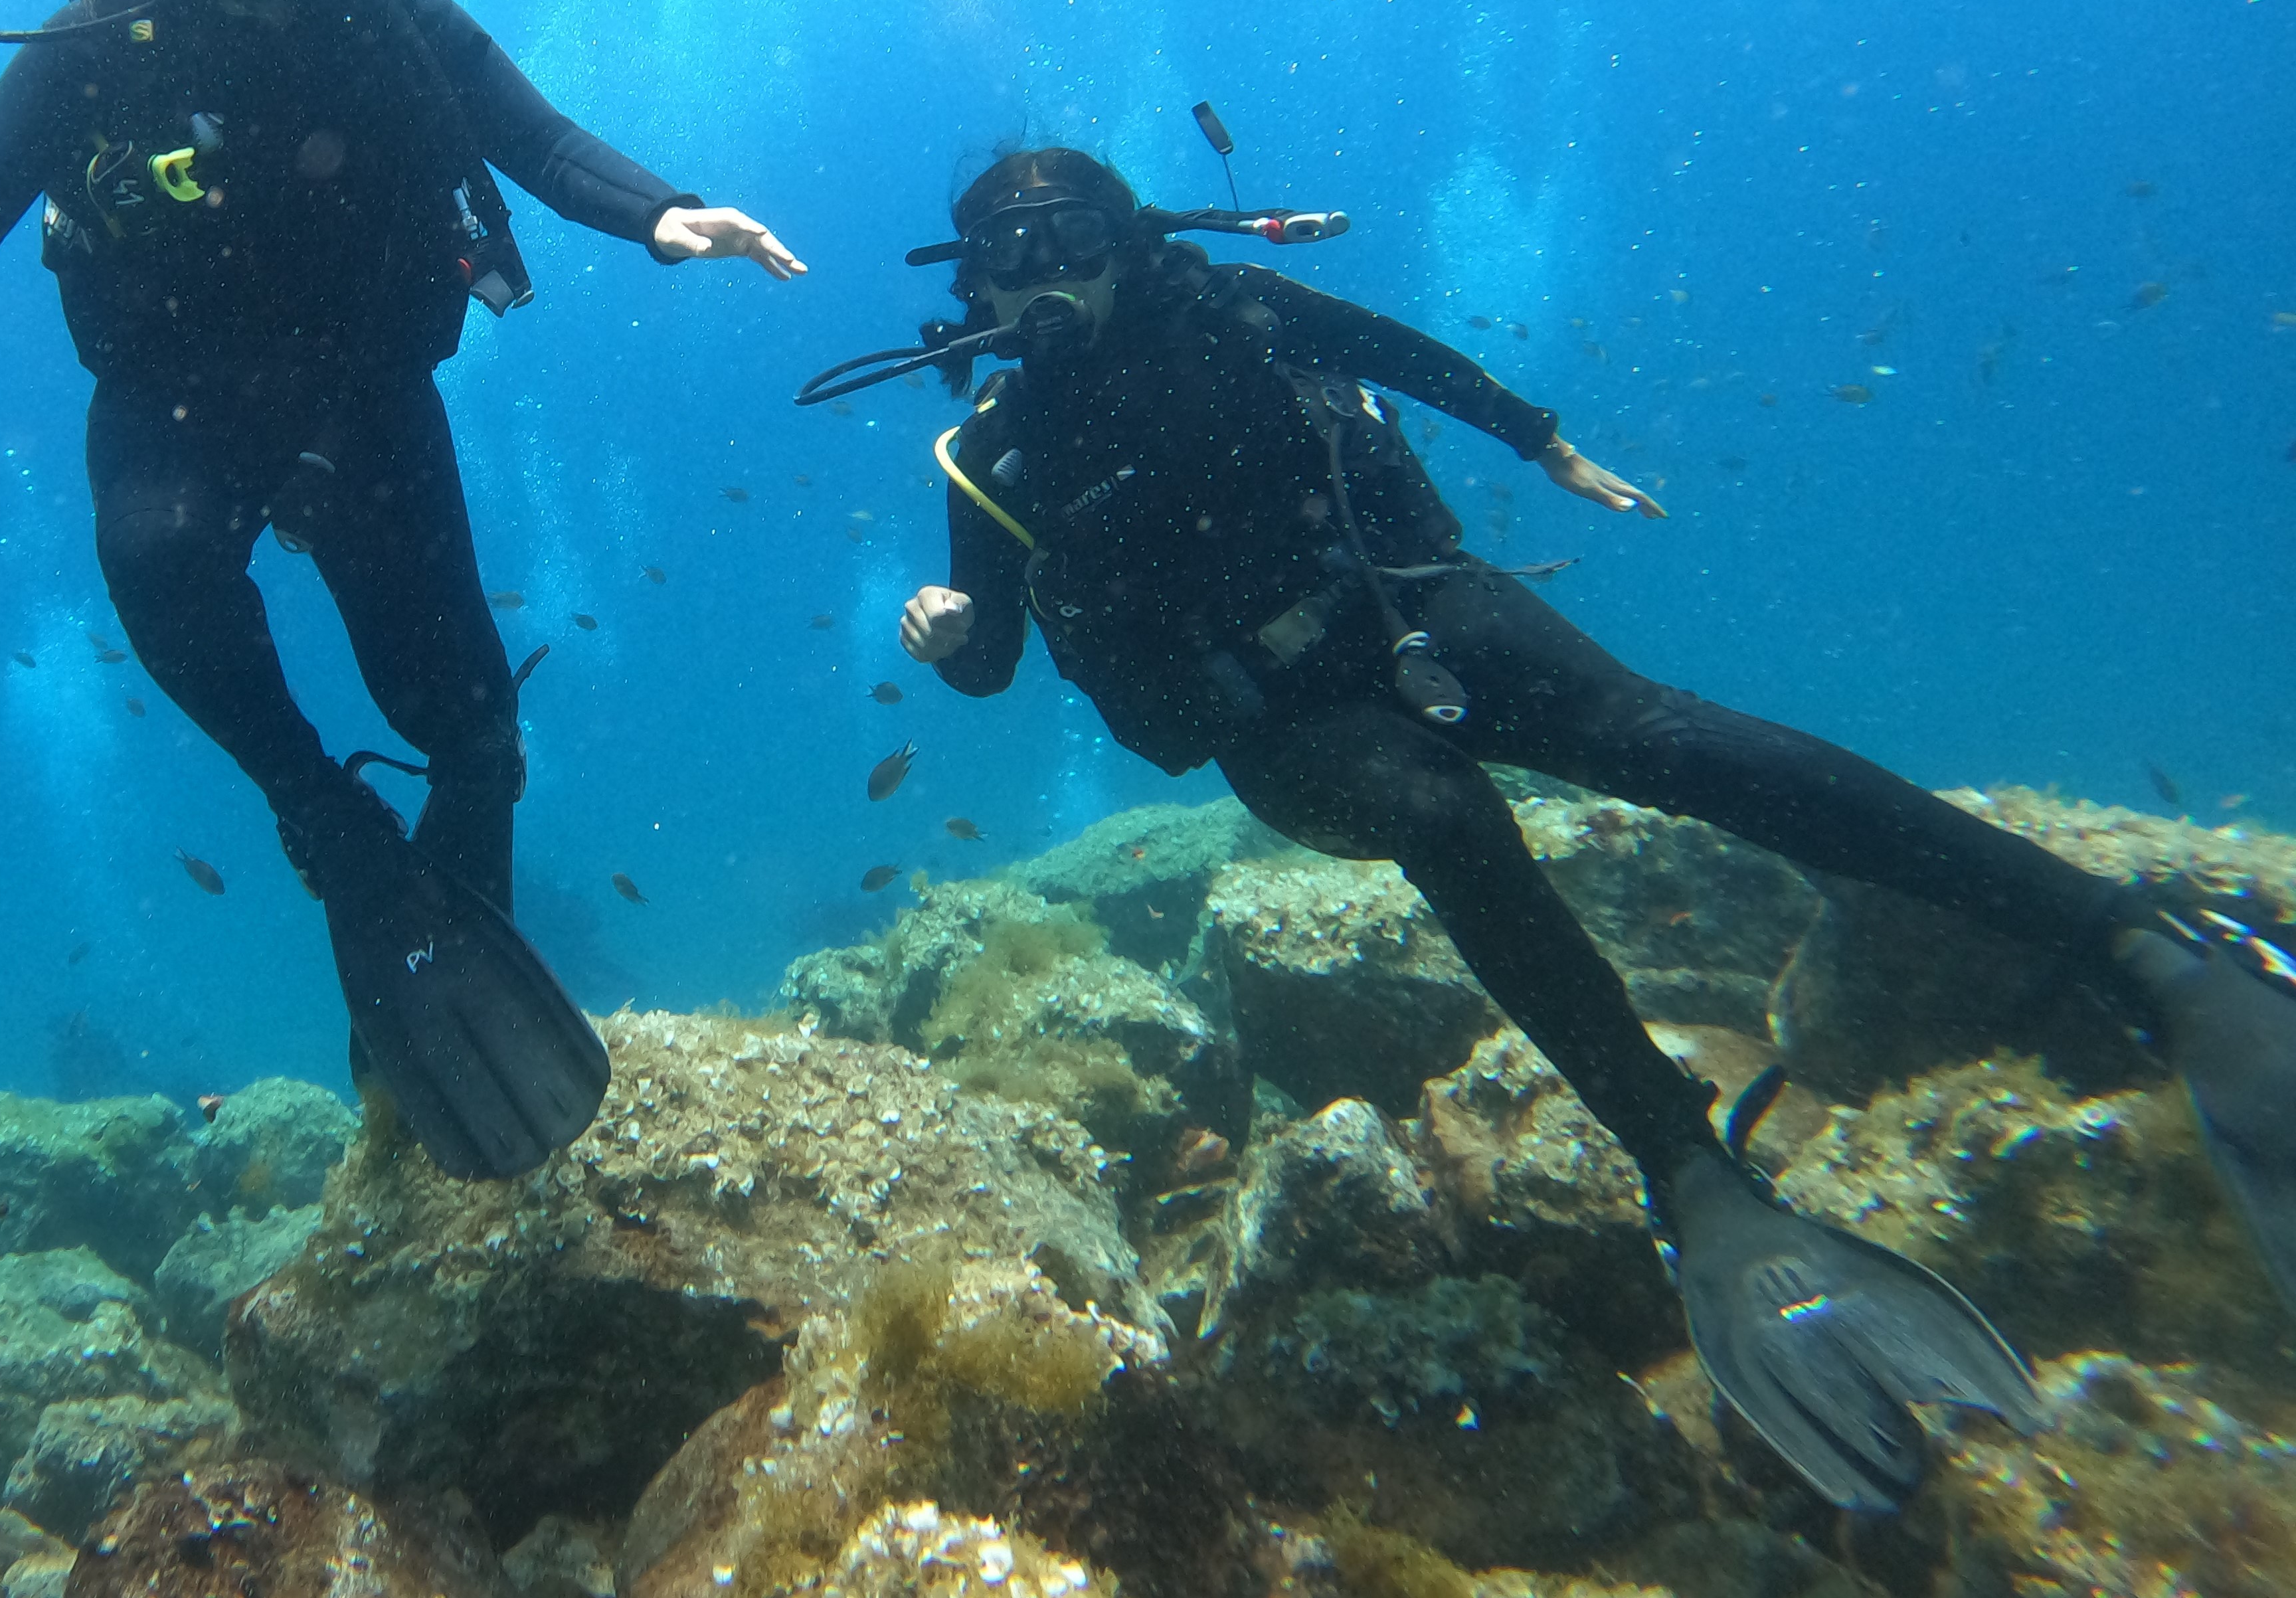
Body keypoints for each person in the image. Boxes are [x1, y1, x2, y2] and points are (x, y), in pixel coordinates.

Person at [886, 145, 2296, 1513]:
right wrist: (947, 635)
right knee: (1446, 815)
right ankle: (1692, 1172)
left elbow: (1404, 354)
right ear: (975, 283)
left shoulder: (1240, 308)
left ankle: (2145, 949)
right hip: (1283, 731)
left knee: (1657, 735)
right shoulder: (994, 455)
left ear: (1126, 240)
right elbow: (996, 656)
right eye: (1006, 258)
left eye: (1068, 239)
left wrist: (1541, 438)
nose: (1039, 277)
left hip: (1412, 598)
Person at [0, 0, 803, 1179]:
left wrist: (665, 214)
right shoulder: (97, 39)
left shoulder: (395, 15)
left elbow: (540, 137)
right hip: (177, 396)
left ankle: (436, 1008)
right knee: (157, 555)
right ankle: (322, 812)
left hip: (363, 395)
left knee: (478, 740)